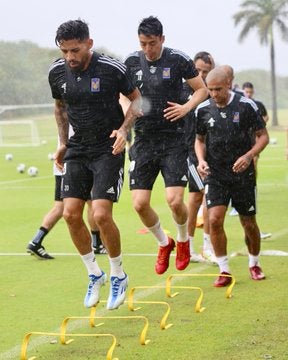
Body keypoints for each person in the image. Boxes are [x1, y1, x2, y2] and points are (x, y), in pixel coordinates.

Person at [49, 19, 141, 310]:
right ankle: (94, 273)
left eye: (75, 50)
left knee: (100, 215)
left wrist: (125, 130)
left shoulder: (112, 69)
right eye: (64, 51)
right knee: (70, 214)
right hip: (78, 148)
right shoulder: (57, 72)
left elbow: (138, 101)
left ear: (89, 43)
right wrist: (63, 142)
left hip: (107, 148)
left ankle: (117, 274)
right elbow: (60, 108)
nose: (70, 57)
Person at [125, 16, 208, 275]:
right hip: (144, 140)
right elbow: (122, 94)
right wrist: (128, 109)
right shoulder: (130, 62)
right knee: (139, 204)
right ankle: (165, 242)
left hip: (173, 140)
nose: (147, 49)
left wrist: (186, 107)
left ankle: (183, 241)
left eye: (152, 43)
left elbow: (201, 90)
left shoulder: (178, 59)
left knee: (174, 200)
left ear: (162, 39)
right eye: (142, 44)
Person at [195, 67, 269, 287]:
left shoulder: (246, 105)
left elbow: (263, 136)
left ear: (228, 84)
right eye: (210, 90)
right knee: (215, 220)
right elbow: (199, 140)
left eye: (218, 89)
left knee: (249, 223)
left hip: (242, 175)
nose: (214, 94)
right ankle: (224, 270)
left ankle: (254, 263)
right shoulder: (203, 109)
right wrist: (201, 160)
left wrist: (249, 155)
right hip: (215, 175)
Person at [26, 131, 107, 259]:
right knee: (91, 202)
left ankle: (36, 241)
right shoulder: (77, 114)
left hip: (63, 164)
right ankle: (97, 244)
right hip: (75, 163)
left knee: (59, 207)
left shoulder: (65, 114)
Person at [184, 51, 216, 263]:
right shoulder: (185, 91)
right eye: (198, 70)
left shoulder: (213, 92)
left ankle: (207, 246)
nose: (202, 74)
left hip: (211, 151)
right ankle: (189, 246)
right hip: (188, 149)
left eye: (206, 71)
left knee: (209, 197)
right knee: (198, 196)